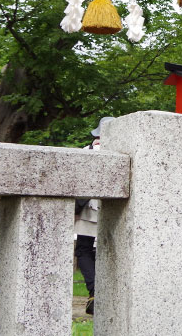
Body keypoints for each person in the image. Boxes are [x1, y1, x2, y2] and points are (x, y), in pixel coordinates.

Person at [75, 117, 111, 315]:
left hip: (89, 206)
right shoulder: (124, 150)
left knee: (83, 249)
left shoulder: (86, 151)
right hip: (114, 208)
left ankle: (95, 292)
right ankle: (104, 290)